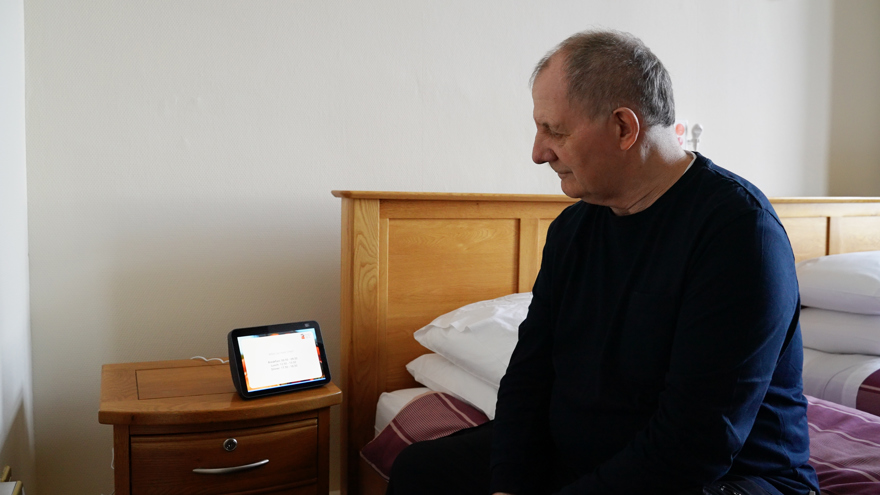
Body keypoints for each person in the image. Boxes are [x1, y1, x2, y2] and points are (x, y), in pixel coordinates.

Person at [387, 30, 819, 495]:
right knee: (422, 471)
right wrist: (508, 485)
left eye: (555, 131)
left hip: (727, 476)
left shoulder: (738, 234)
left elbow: (695, 442)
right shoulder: (572, 230)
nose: (538, 153)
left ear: (623, 128)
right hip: (586, 456)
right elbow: (528, 378)